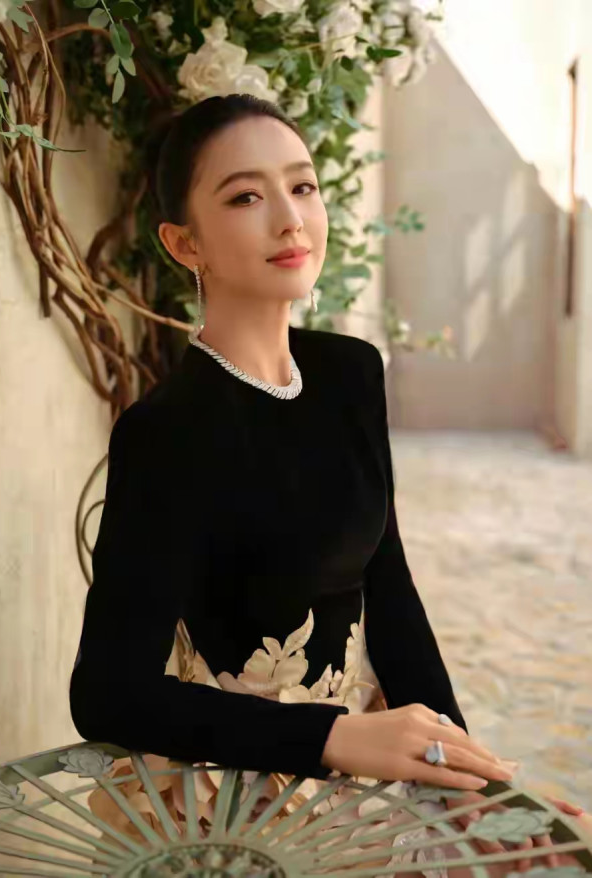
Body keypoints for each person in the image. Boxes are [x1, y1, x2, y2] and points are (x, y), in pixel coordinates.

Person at [69, 94, 590, 874]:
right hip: (230, 794)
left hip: (369, 771)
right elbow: (108, 693)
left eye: (302, 186)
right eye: (245, 197)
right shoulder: (166, 432)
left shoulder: (350, 372)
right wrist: (334, 738)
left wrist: (461, 768)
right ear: (184, 243)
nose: (290, 220)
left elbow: (388, 583)